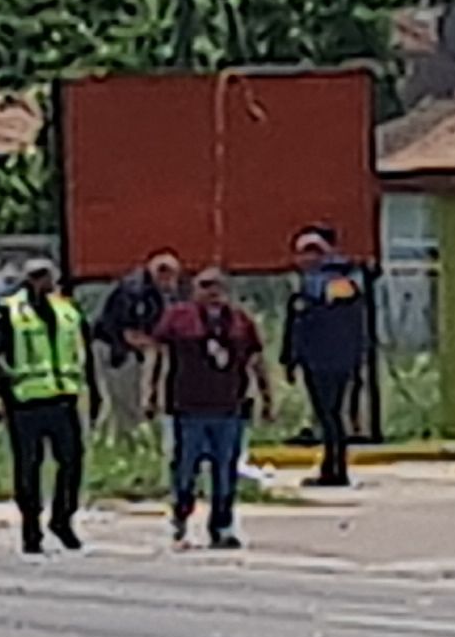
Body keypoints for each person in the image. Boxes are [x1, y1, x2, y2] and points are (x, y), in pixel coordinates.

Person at [150, 264, 271, 549]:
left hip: (229, 407)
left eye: (218, 287)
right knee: (185, 468)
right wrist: (151, 394)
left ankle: (222, 526)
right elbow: (159, 356)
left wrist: (267, 397)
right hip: (188, 408)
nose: (213, 293)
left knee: (225, 470)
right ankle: (180, 516)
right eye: (205, 286)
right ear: (194, 290)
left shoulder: (240, 322)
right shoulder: (178, 319)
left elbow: (256, 361)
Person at [0, 257, 91, 556]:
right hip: (24, 403)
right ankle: (31, 529)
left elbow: (83, 353)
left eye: (47, 275)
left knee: (72, 463)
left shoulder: (67, 310)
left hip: (62, 399)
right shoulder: (9, 311)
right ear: (27, 279)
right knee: (28, 468)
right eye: (37, 276)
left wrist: (91, 394)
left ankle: (62, 519)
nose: (44, 281)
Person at [281, 226, 376, 489]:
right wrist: (289, 358)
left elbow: (342, 317)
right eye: (303, 252)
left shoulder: (340, 281)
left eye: (314, 252)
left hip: (334, 358)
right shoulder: (304, 283)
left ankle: (336, 469)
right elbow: (296, 325)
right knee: (326, 415)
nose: (307, 258)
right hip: (313, 358)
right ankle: (330, 466)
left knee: (331, 415)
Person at [90, 251, 180, 442]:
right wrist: (159, 344)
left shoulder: (157, 292)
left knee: (122, 402)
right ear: (161, 273)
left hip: (135, 350)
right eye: (171, 278)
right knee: (126, 401)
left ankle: (107, 440)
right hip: (114, 350)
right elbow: (129, 333)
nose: (173, 283)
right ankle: (130, 442)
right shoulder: (134, 291)